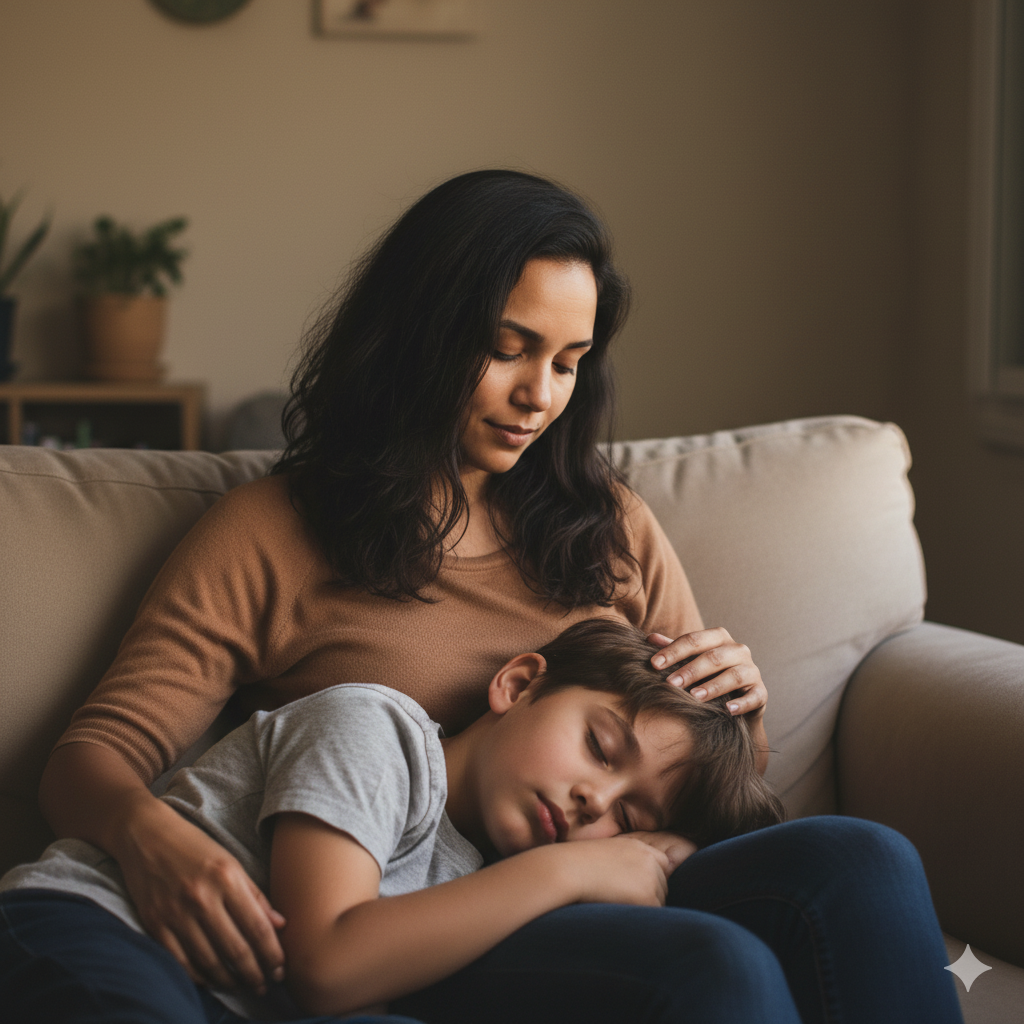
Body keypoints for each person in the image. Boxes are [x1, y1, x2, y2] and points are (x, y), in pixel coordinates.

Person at [36, 169, 963, 1023]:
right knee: (709, 968)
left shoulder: (609, 525)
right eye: (508, 349)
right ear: (419, 336)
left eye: (567, 362)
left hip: (549, 886)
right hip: (397, 915)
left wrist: (742, 707)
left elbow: (689, 768)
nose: (538, 396)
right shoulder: (275, 530)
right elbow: (97, 753)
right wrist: (147, 838)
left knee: (861, 859)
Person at [0, 619, 783, 1023]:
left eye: (628, 818)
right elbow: (326, 963)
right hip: (94, 926)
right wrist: (569, 868)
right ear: (518, 683)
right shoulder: (378, 731)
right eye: (597, 747)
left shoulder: (488, 881)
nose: (592, 803)